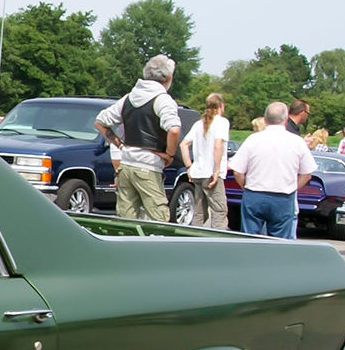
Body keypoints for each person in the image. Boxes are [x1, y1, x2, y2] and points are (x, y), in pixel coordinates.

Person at [94, 54, 182, 222]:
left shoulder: (129, 97)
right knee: (159, 219)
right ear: (169, 77)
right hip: (148, 165)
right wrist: (169, 155)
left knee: (126, 219)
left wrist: (119, 144)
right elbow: (174, 130)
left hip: (126, 164)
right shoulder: (163, 100)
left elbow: (100, 121)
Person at [229, 101, 315, 239]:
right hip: (283, 196)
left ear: (265, 119)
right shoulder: (297, 142)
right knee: (280, 242)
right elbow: (307, 174)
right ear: (286, 120)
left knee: (250, 239)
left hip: (255, 194)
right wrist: (294, 188)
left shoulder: (253, 139)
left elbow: (237, 171)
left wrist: (245, 186)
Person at [179, 92, 229, 229]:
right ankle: (218, 243)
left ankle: (194, 240)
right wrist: (217, 169)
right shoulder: (222, 122)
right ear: (220, 106)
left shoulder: (198, 124)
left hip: (198, 173)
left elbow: (183, 144)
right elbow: (218, 145)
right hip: (211, 174)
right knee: (219, 211)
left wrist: (189, 167)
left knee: (199, 212)